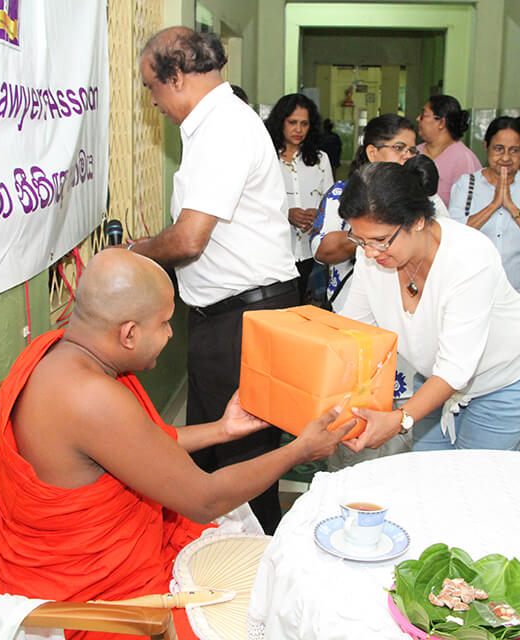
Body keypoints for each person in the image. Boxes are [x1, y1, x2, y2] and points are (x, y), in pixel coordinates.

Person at [0, 251, 351, 640]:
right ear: (128, 334)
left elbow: (144, 445)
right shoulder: (92, 398)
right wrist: (299, 450)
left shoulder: (61, 352)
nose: (171, 333)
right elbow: (205, 498)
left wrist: (222, 430)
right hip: (94, 602)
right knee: (278, 609)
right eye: (164, 323)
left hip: (99, 557)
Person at [129, 27, 300, 533]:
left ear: (175, 76)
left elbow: (188, 240)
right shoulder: (215, 125)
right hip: (231, 315)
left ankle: (255, 577)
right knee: (220, 452)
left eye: (151, 87)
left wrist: (131, 254)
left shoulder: (222, 127)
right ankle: (226, 565)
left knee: (242, 467)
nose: (153, 101)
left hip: (243, 318)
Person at [335, 161, 520, 453]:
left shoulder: (469, 256)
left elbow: (455, 369)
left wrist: (399, 420)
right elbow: (353, 330)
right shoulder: (371, 257)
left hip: (503, 377)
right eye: (360, 240)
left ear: (418, 220)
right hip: (434, 374)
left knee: (473, 482)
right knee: (428, 474)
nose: (370, 252)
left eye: (380, 240)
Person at [311, 114, 447, 313]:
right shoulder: (343, 194)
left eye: (412, 150)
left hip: (412, 308)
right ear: (372, 153)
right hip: (352, 308)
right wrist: (374, 237)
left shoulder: (425, 197)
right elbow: (322, 250)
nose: (408, 156)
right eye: (399, 148)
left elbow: (441, 246)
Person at [448, 116, 520, 307]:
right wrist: (493, 205)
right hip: (474, 292)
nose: (506, 158)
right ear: (486, 146)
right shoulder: (466, 185)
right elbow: (453, 238)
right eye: (499, 149)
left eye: (514, 150)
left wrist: (511, 206)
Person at [264, 94, 335, 304]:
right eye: (292, 122)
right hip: (274, 250)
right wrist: (286, 214)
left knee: (303, 309)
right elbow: (255, 203)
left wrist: (320, 215)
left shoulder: (320, 160)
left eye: (304, 124)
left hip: (308, 252)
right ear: (280, 122)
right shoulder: (267, 158)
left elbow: (332, 201)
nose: (298, 130)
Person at [415, 94, 482, 206]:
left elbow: (467, 208)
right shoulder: (414, 152)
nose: (417, 119)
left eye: (423, 115)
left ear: (441, 122)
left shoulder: (464, 159)